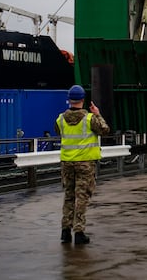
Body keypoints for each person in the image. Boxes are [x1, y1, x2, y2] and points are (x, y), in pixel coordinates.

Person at [55, 84, 110, 245]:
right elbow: (105, 130)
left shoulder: (60, 119)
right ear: (83, 100)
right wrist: (98, 114)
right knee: (81, 197)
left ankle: (65, 232)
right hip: (85, 164)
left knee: (69, 196)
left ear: (69, 100)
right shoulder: (90, 119)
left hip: (67, 164)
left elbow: (58, 132)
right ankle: (79, 232)